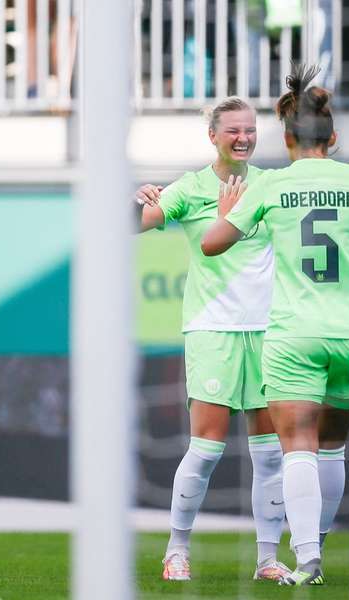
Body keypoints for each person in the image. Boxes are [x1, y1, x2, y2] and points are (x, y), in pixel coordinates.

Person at [201, 63, 349, 586]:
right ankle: (318, 540)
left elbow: (212, 244)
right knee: (333, 445)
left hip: (293, 335)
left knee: (297, 445)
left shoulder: (273, 186)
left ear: (285, 137)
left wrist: (229, 211)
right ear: (334, 137)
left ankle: (307, 559)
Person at [135, 97, 290, 583]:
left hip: (267, 333)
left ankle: (267, 559)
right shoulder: (190, 188)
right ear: (213, 136)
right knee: (205, 449)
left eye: (250, 130)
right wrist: (138, 200)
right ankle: (176, 551)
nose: (243, 138)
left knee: (269, 453)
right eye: (233, 131)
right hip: (212, 331)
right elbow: (134, 225)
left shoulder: (272, 185)